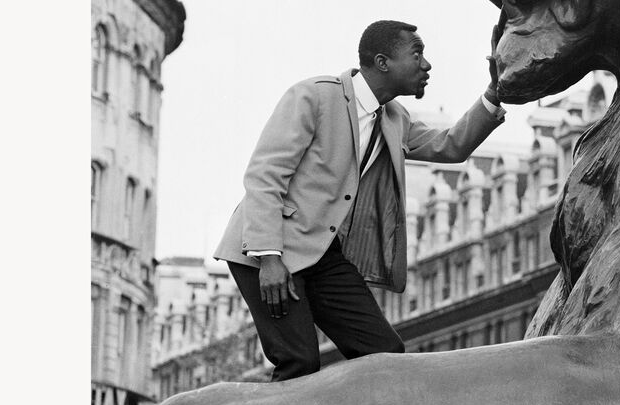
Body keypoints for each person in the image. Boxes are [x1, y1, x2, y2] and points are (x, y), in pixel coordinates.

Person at [214, 19, 504, 380]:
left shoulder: (395, 118)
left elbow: (451, 145)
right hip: (269, 250)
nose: (426, 65)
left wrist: (495, 91)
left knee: (384, 353)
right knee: (299, 363)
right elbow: (264, 175)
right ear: (383, 62)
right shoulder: (314, 96)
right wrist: (269, 259)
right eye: (417, 54)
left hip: (325, 255)